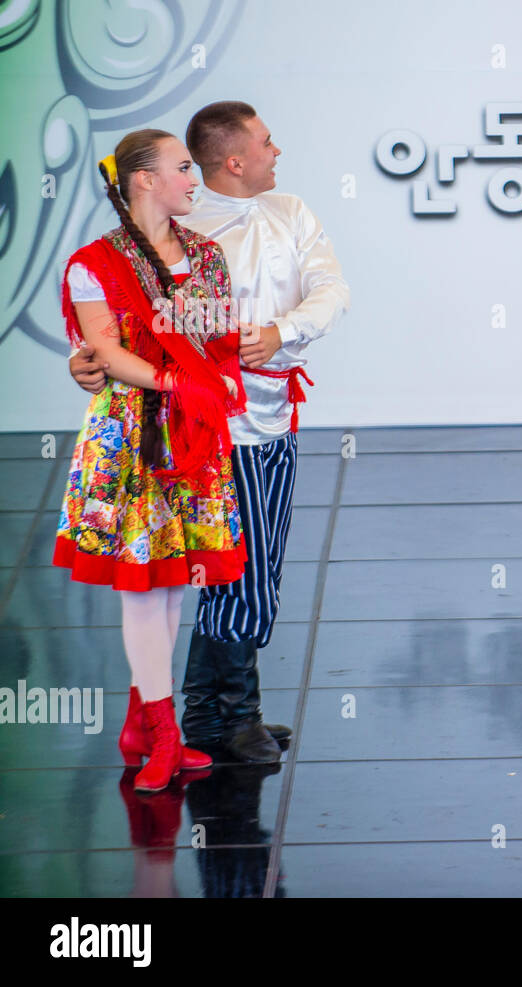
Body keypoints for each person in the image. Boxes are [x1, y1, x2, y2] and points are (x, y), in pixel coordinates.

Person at [70, 101, 348, 761]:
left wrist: (282, 331)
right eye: (266, 142)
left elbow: (331, 288)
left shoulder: (289, 212)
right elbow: (133, 323)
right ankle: (219, 714)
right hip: (209, 429)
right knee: (232, 570)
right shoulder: (185, 239)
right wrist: (92, 360)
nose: (276, 152)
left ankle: (219, 710)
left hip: (273, 419)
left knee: (258, 567)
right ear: (236, 159)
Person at [57, 130, 247, 791]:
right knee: (145, 580)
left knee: (171, 577)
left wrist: (220, 375)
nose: (195, 178)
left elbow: (218, 339)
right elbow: (102, 350)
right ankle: (163, 733)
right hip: (134, 433)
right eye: (183, 167)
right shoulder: (95, 263)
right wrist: (175, 383)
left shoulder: (208, 256)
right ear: (143, 179)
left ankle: (142, 722)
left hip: (190, 435)